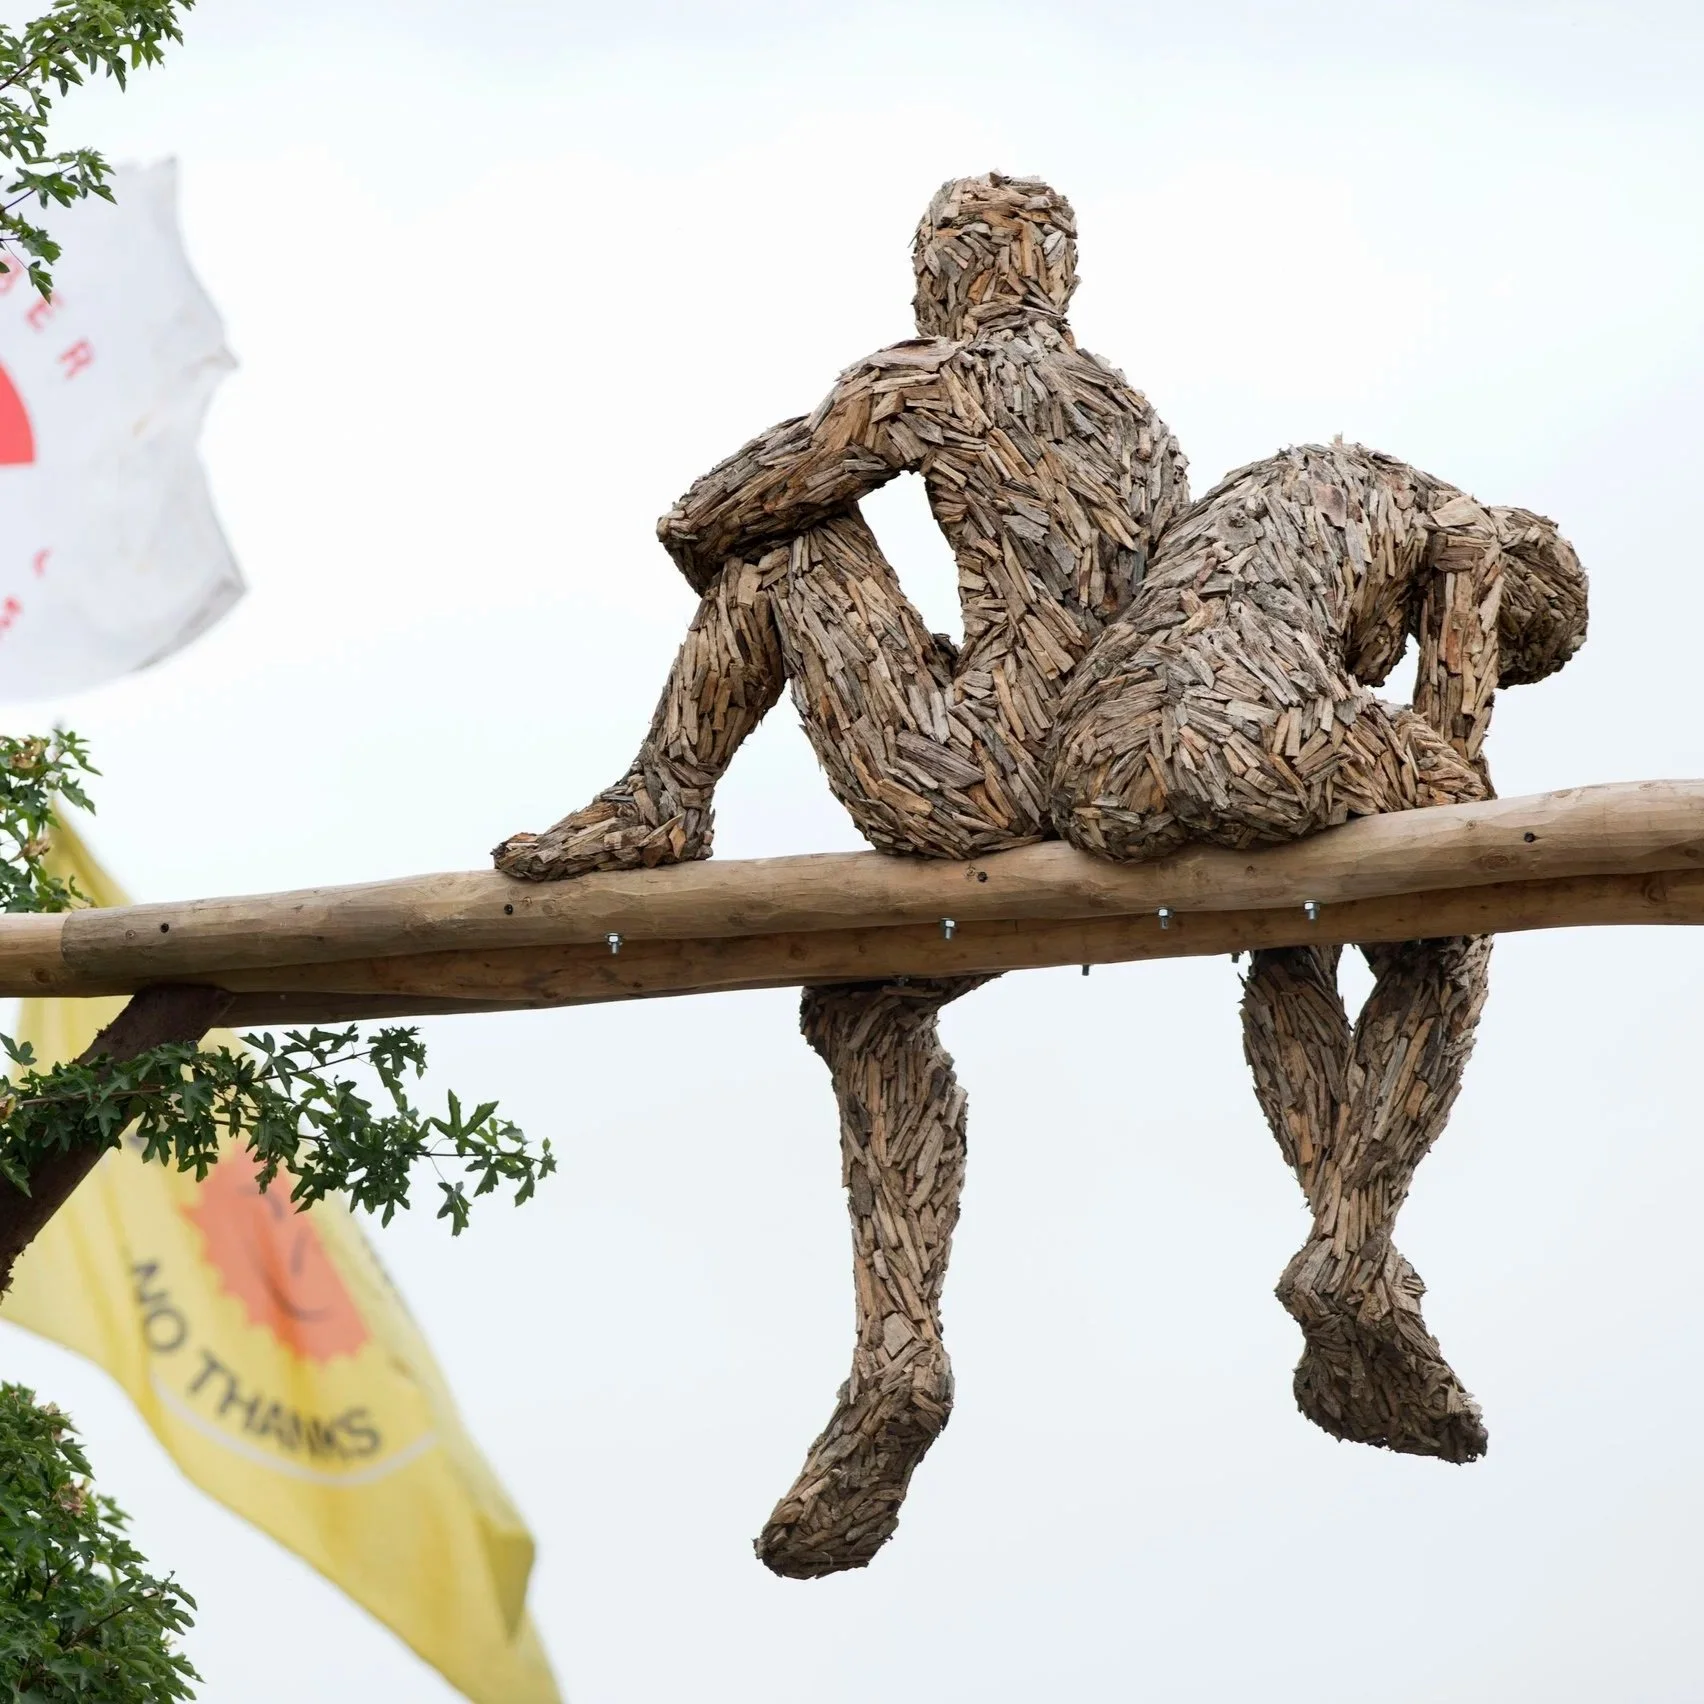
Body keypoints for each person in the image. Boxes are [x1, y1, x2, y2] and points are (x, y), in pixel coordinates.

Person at [495, 172, 1189, 1577]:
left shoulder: (923, 375)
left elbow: (703, 517)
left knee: (793, 546)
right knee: (861, 1006)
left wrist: (828, 477)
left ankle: (661, 794)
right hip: (1099, 789)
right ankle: (898, 1351)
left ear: (950, 268)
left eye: (927, 257)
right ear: (1065, 278)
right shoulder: (1143, 425)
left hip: (972, 786)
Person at [1048, 441, 1588, 1459]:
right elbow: (1450, 781)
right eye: (1514, 649)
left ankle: (1351, 1249)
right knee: (1448, 931)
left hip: (1100, 762)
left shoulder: (1282, 483)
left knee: (1292, 938)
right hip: (1255, 731)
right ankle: (1349, 1249)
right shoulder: (1465, 529)